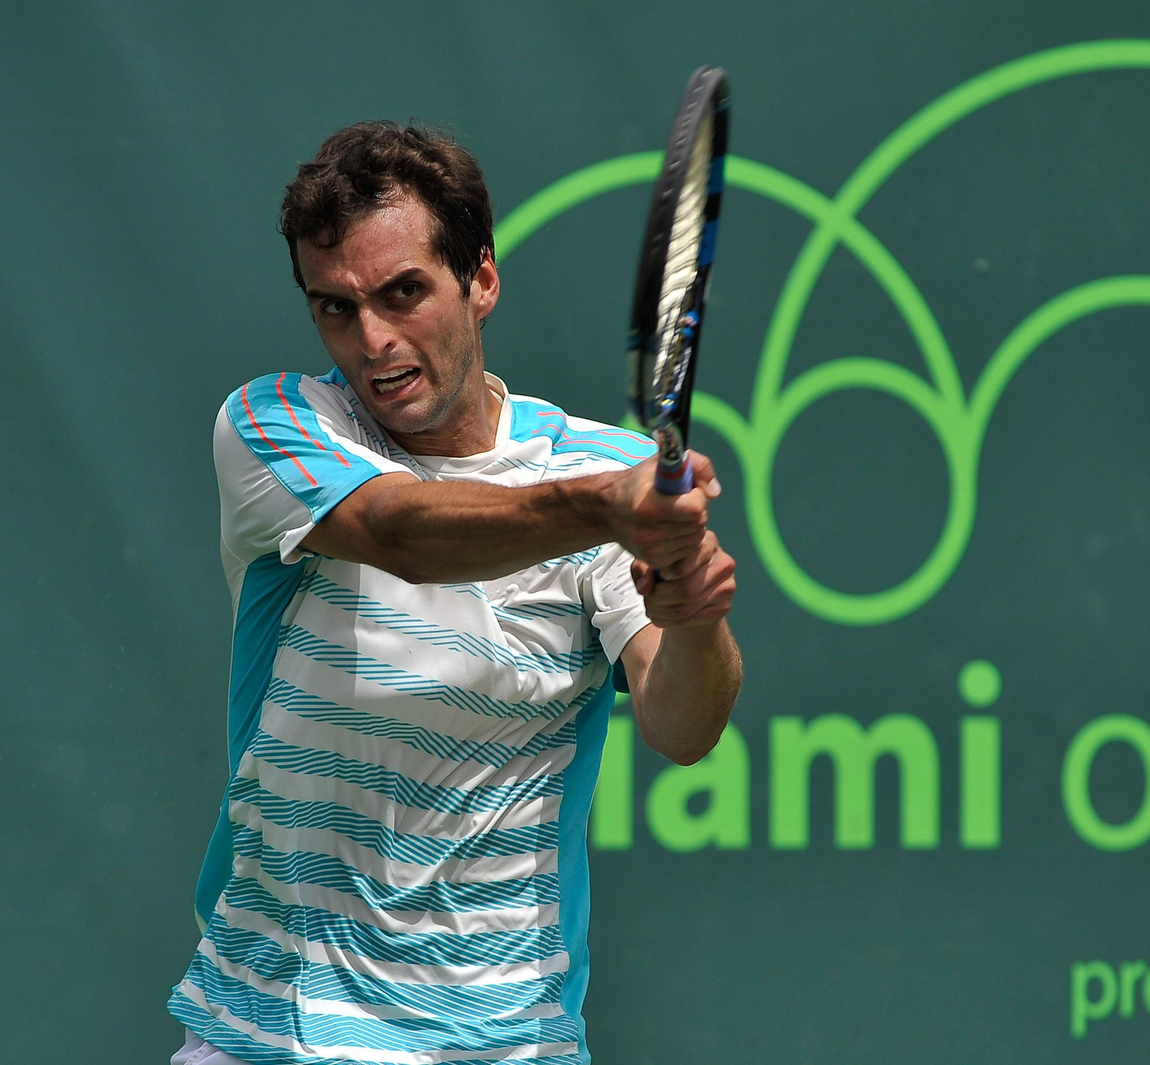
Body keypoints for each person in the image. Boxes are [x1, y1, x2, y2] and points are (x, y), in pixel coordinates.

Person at [166, 121, 742, 1065]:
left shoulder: (609, 470)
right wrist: (607, 507)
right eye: (335, 308)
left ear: (480, 279)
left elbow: (685, 727)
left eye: (403, 293)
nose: (375, 341)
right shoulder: (272, 425)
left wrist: (691, 624)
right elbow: (403, 534)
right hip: (273, 1034)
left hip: (507, 1041)